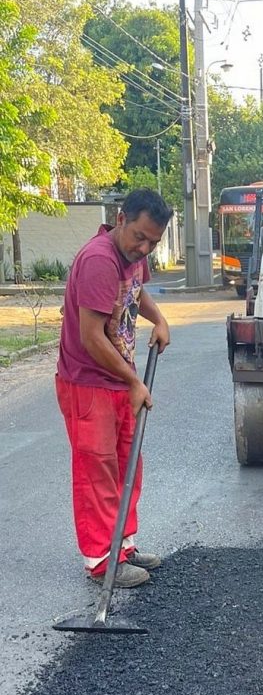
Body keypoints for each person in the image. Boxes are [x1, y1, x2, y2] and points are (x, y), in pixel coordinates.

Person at [55, 188, 174, 589]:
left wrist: (159, 320)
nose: (144, 247)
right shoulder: (98, 261)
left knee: (127, 463)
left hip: (118, 378)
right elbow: (91, 337)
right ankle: (101, 560)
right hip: (88, 382)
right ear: (121, 219)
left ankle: (122, 542)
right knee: (97, 470)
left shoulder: (133, 258)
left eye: (153, 242)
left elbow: (138, 291)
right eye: (140, 236)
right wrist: (134, 381)